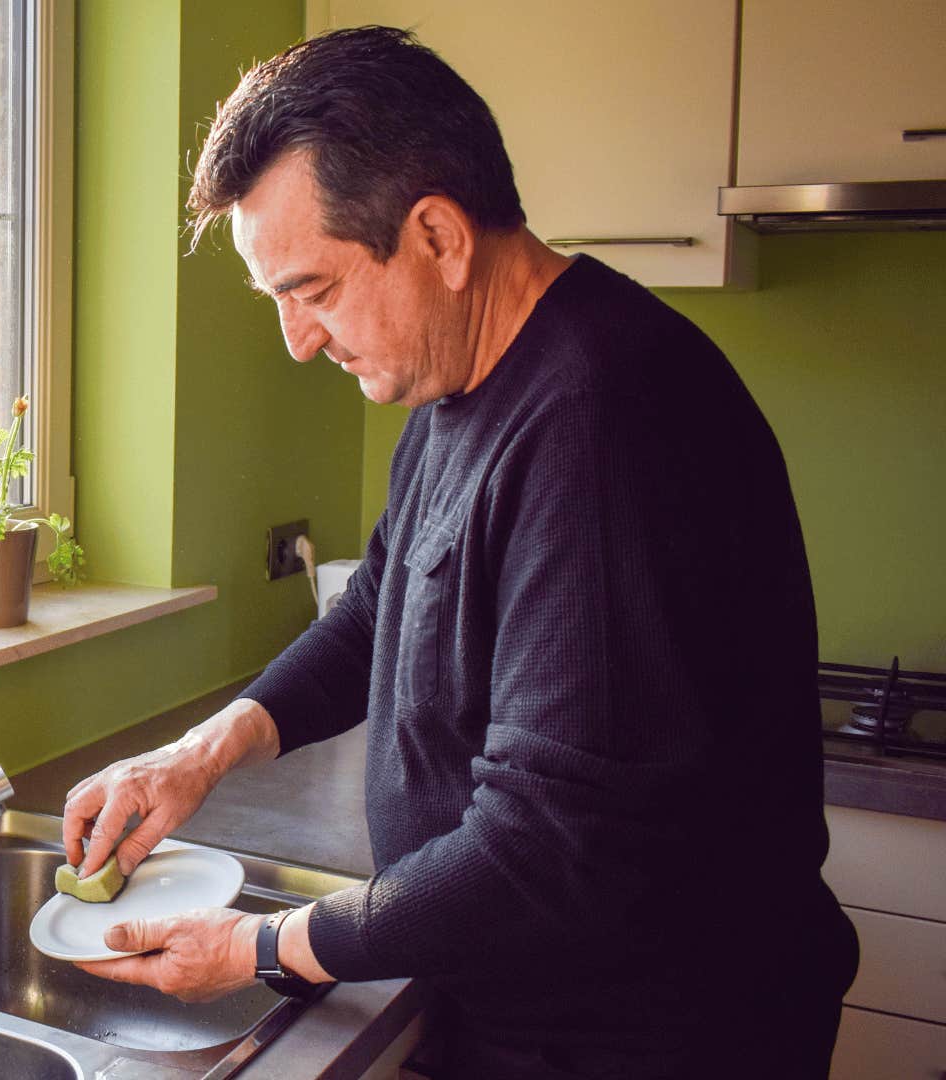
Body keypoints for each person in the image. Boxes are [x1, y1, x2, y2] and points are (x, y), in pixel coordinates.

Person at [61, 26, 857, 1079]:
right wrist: (200, 755)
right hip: (524, 1001)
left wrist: (265, 948)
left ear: (437, 236)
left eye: (316, 290)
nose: (299, 341)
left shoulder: (607, 419)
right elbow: (380, 605)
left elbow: (545, 850)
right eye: (278, 301)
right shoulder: (462, 382)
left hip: (647, 1039)